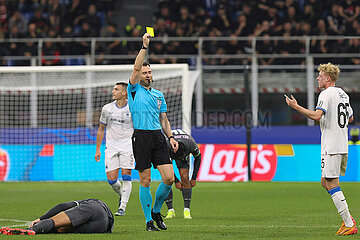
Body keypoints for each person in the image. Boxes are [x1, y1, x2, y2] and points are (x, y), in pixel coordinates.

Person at [284, 63, 357, 236]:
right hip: (341, 143)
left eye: (320, 75)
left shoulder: (326, 94)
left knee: (330, 183)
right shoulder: (343, 94)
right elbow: (351, 117)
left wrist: (296, 107)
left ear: (328, 78)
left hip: (331, 145)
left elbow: (317, 115)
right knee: (326, 181)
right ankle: (348, 220)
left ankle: (349, 222)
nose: (318, 78)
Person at [127, 32, 178, 231]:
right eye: (144, 72)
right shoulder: (133, 90)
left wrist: (171, 137)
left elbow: (164, 119)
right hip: (140, 137)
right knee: (145, 180)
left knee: (169, 179)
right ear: (138, 75)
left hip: (157, 136)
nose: (147, 74)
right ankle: (149, 221)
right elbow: (136, 66)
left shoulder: (159, 95)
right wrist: (144, 46)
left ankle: (156, 211)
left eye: (149, 72)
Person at [95, 82, 134, 216]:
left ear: (124, 92)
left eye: (116, 89)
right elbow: (101, 129)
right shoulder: (107, 109)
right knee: (112, 180)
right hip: (111, 146)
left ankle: (122, 207)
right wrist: (98, 149)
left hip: (128, 145)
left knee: (126, 174)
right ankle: (121, 195)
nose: (113, 91)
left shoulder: (132, 108)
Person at [0, 199, 114, 235]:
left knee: (54, 222)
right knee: (60, 229)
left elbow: (63, 206)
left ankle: (30, 230)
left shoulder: (88, 203)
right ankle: (38, 230)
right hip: (104, 226)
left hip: (95, 208)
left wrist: (41, 219)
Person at [164, 129, 201, 220]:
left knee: (185, 177)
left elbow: (198, 158)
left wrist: (193, 178)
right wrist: (176, 181)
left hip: (182, 146)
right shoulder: (166, 146)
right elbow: (166, 168)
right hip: (169, 150)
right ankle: (170, 210)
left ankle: (186, 210)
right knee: (167, 178)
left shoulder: (191, 144)